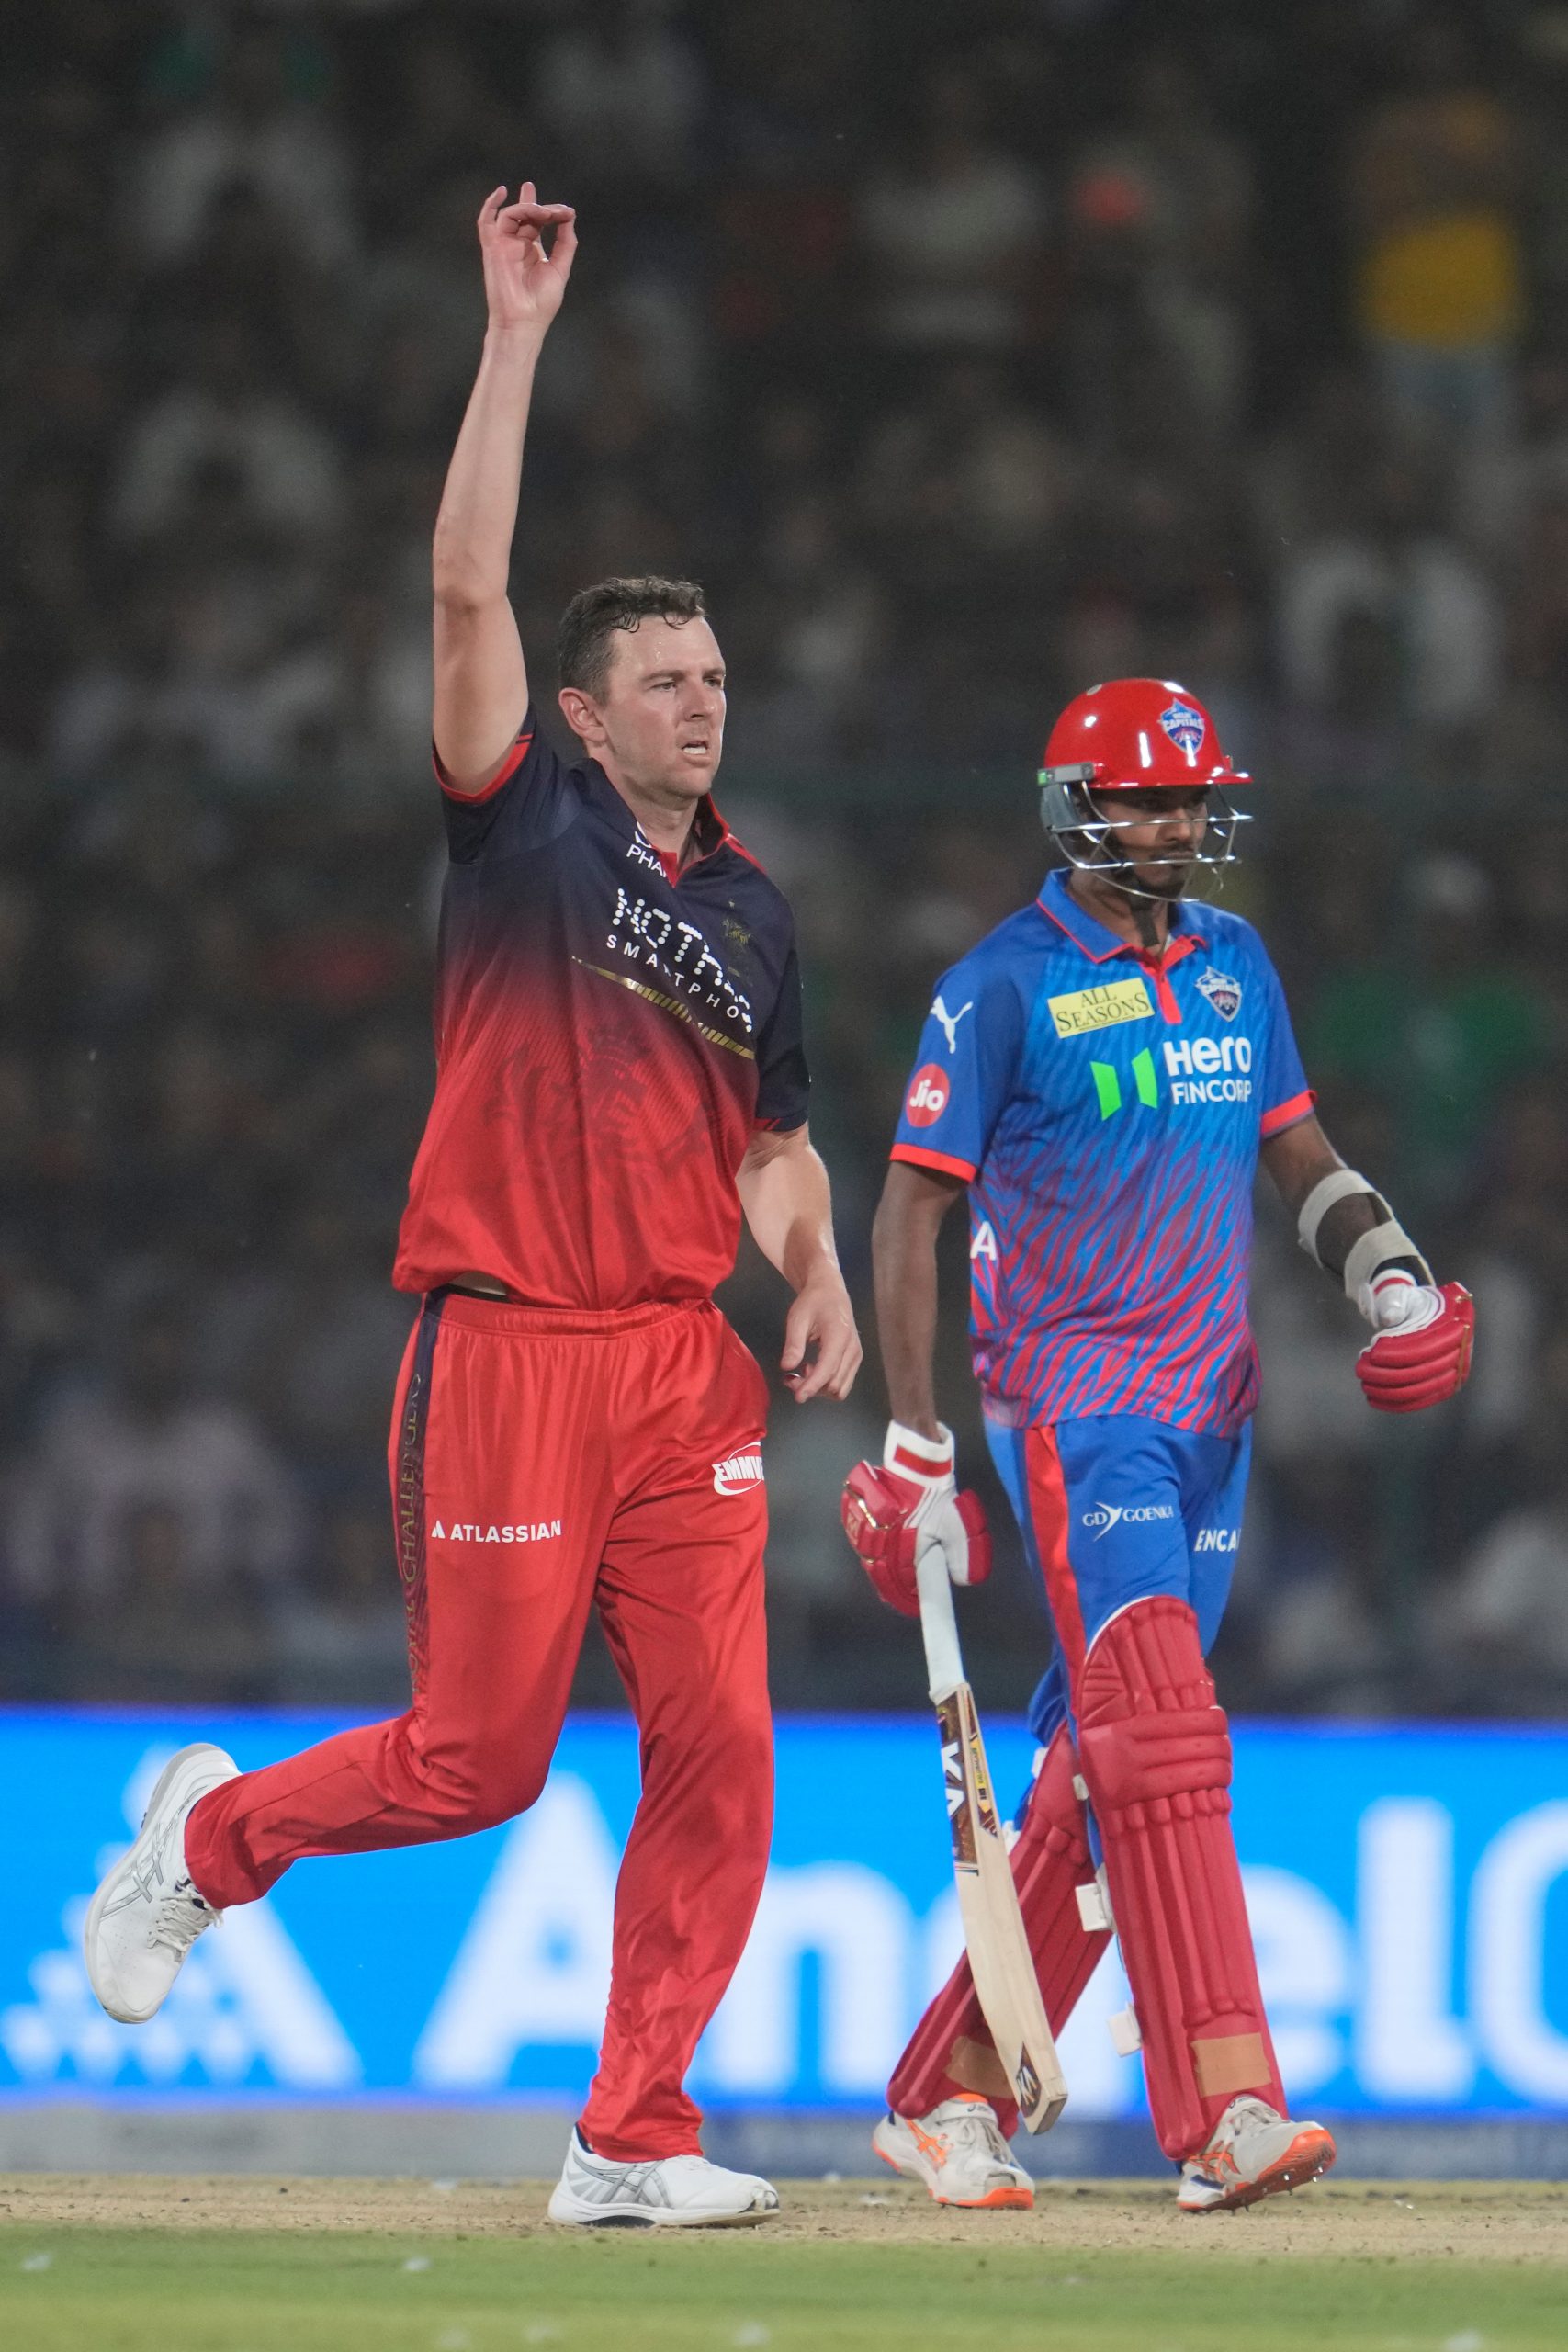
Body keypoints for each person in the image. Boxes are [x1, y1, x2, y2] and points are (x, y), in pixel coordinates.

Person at [84, 182, 862, 2230]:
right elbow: (458, 589)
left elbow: (776, 1139)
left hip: (675, 1371)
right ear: (584, 713)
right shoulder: (518, 823)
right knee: (478, 1758)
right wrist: (513, 339)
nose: (704, 696)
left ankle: (629, 2134)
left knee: (721, 1750)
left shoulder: (763, 915)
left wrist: (809, 1260)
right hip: (502, 1343)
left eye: (717, 672)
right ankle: (207, 1839)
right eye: (665, 677)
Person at [841, 677, 1472, 2213]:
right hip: (1074, 1409)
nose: (1181, 825)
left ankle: (943, 2099)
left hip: (1215, 1414)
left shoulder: (1236, 962)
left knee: (1103, 1761)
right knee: (1173, 1742)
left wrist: (1387, 1276)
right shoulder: (999, 986)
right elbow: (911, 1206)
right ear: (1080, 807)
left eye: (1194, 800)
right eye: (1151, 800)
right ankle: (1224, 2111)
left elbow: (1299, 1154)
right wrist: (918, 1441)